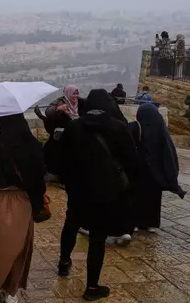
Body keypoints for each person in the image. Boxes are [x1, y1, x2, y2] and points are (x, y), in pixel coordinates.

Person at [58, 89, 139, 301]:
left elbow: (60, 161)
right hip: (106, 194)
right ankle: (92, 286)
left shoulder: (74, 128)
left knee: (71, 224)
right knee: (97, 239)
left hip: (78, 192)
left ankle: (64, 262)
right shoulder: (118, 128)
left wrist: (70, 182)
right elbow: (132, 162)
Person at [0, 115, 47, 303]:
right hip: (23, 201)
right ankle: (12, 290)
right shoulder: (33, 145)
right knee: (19, 246)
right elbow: (39, 178)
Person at [128, 103, 186, 231]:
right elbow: (168, 152)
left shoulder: (134, 126)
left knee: (136, 196)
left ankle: (135, 222)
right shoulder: (161, 128)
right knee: (153, 199)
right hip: (155, 172)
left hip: (138, 169)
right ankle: (150, 223)